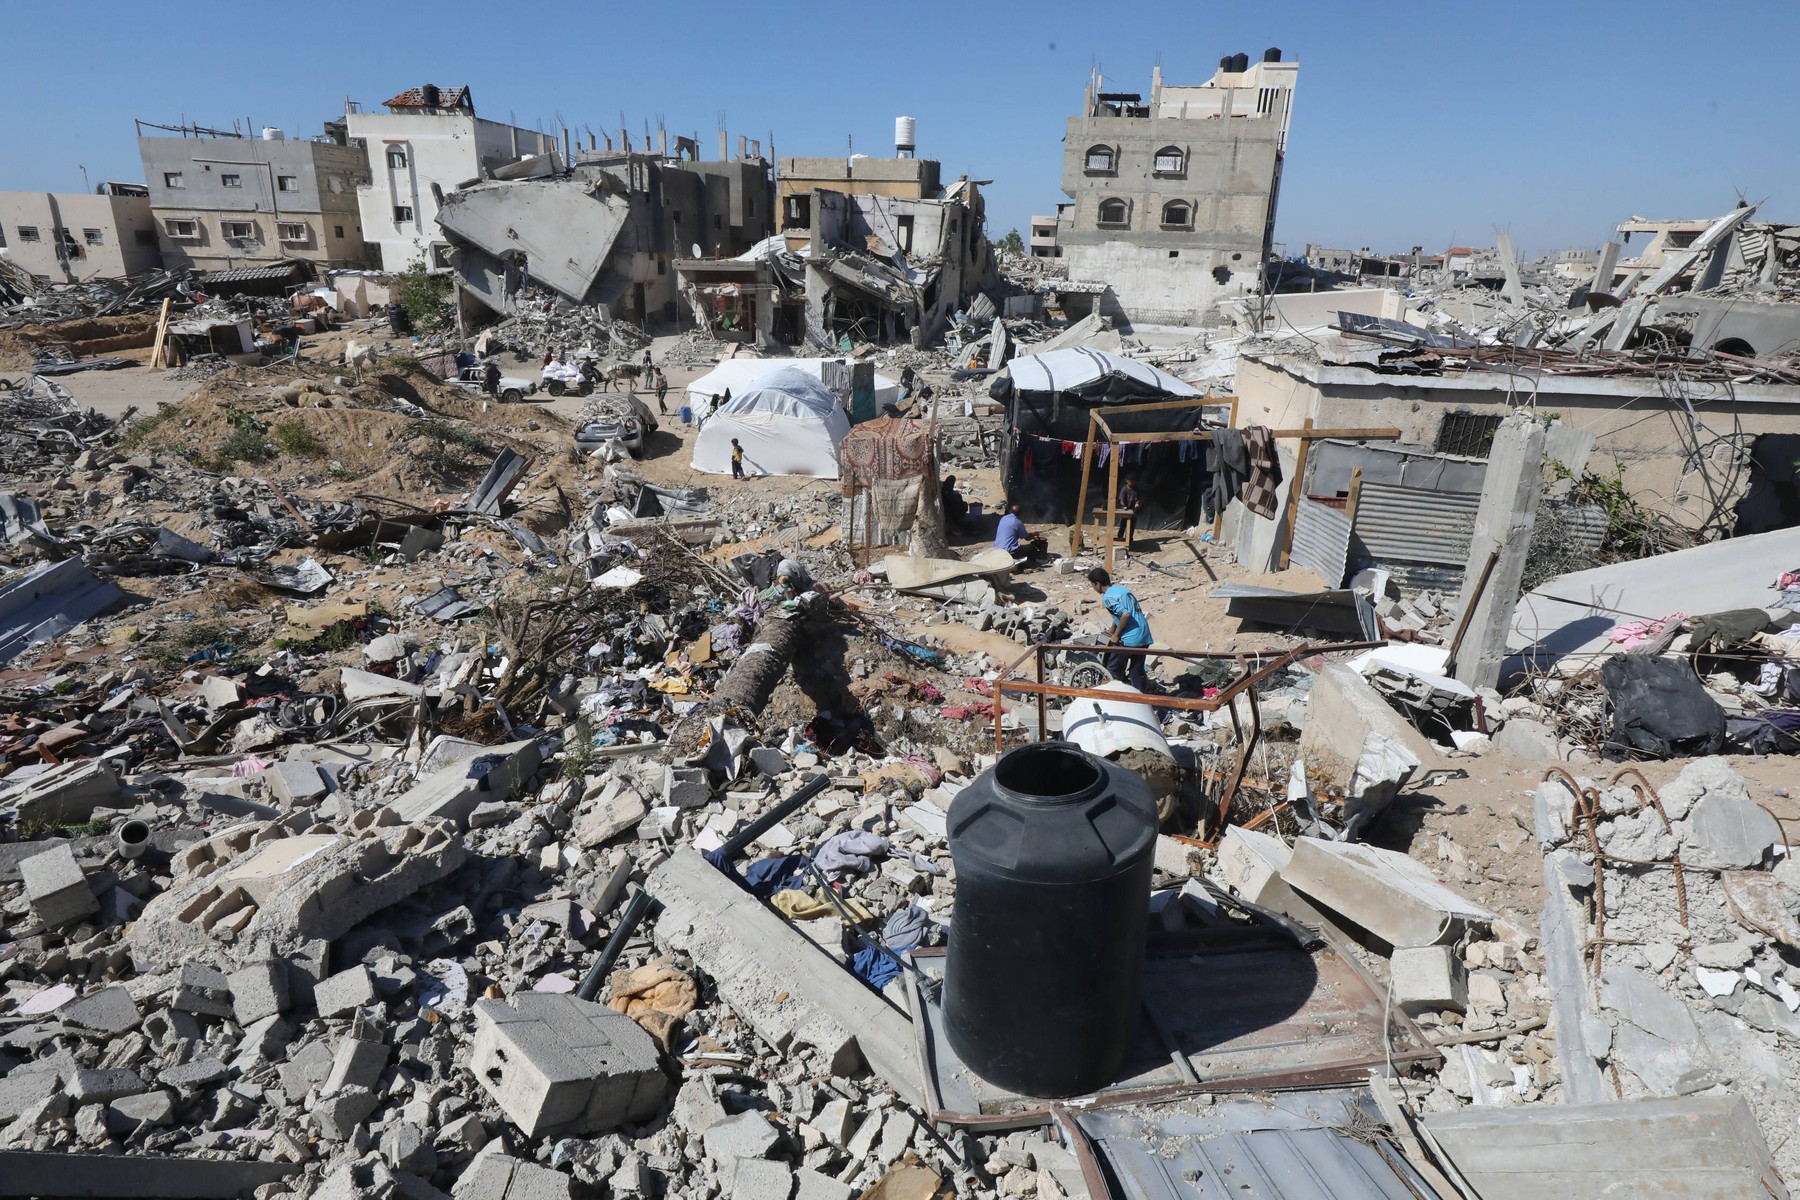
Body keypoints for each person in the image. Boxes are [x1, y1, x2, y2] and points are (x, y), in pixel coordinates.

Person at [1089, 567, 1152, 692]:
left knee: (1112, 668)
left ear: (1097, 583)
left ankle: (1113, 696)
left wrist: (1116, 635)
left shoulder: (1107, 597)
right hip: (1144, 635)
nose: (1093, 588)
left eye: (1092, 585)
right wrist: (1112, 630)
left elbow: (1125, 615)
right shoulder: (1122, 590)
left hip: (1131, 638)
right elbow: (1119, 615)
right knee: (1137, 670)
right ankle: (1141, 699)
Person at [1115, 476, 1140, 546]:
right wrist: (1124, 506)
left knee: (1132, 526)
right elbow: (1121, 501)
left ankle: (1129, 540)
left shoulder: (1136, 489)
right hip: (1126, 510)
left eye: (1132, 481)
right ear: (1127, 481)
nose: (1131, 482)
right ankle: (1120, 538)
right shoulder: (1124, 489)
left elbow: (1138, 499)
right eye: (1130, 481)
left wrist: (1137, 503)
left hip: (1133, 510)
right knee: (1123, 524)